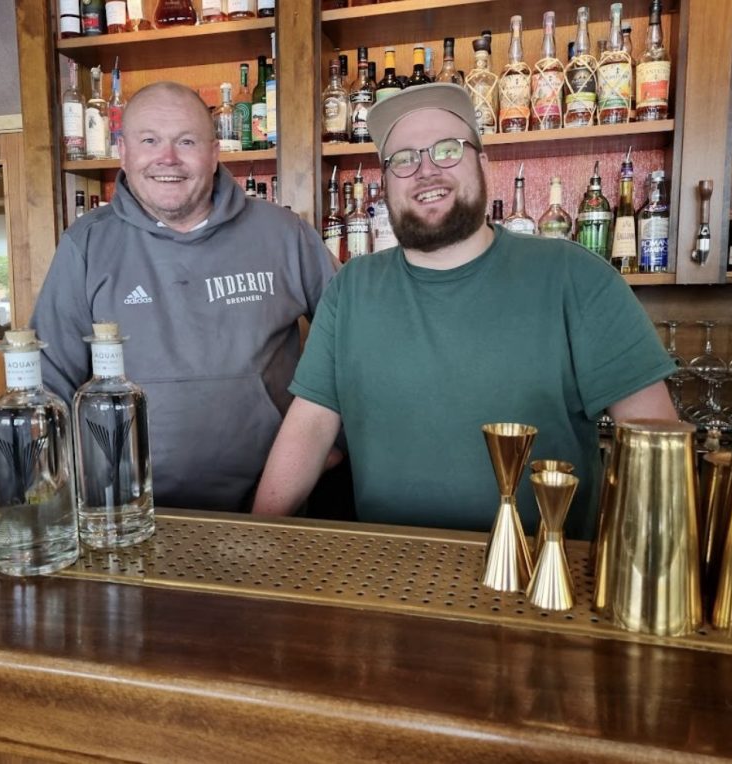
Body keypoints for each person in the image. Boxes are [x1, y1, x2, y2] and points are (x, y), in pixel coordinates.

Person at [253, 83, 678, 539]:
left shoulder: (577, 277)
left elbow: (656, 449)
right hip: (385, 575)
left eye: (447, 150)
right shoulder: (351, 289)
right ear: (386, 183)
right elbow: (309, 429)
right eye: (404, 158)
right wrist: (256, 540)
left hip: (546, 580)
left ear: (482, 162)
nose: (425, 170)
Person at [31, 81, 336, 511]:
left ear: (214, 153)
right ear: (124, 152)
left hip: (272, 510)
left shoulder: (286, 235)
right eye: (149, 140)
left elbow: (356, 342)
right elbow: (48, 385)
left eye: (186, 141)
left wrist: (336, 446)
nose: (167, 159)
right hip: (126, 516)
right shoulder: (86, 245)